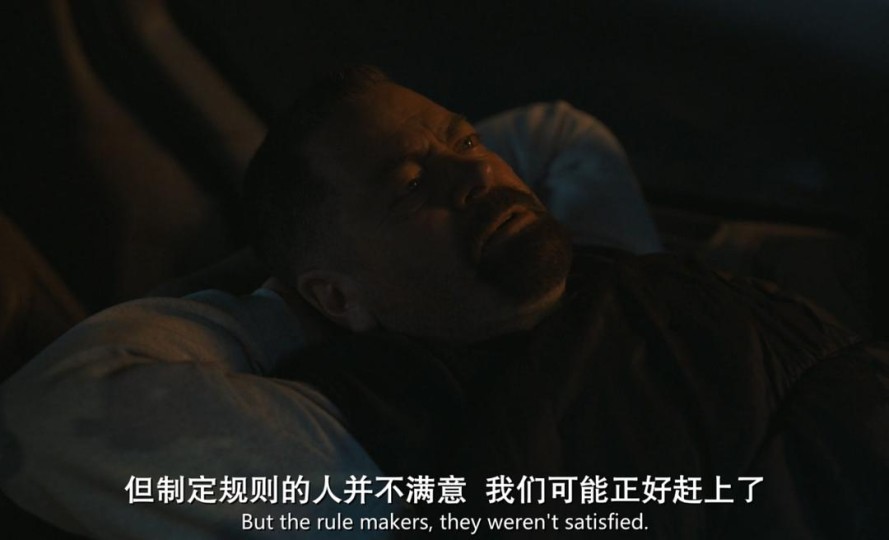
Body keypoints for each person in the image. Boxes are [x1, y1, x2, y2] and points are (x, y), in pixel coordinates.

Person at [1, 65, 886, 540]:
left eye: (463, 142)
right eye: (409, 185)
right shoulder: (381, 441)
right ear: (336, 297)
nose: (474, 174)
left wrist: (420, 176)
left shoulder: (597, 265)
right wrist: (277, 302)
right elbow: (51, 412)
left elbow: (558, 131)